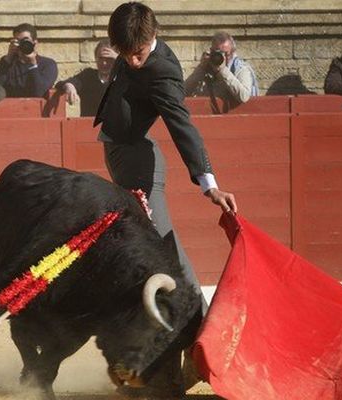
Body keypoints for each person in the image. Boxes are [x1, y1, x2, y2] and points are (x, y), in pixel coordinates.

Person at [94, 3, 237, 397]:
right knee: (155, 255)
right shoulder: (134, 42)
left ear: (150, 41)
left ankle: (202, 340)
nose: (132, 61)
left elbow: (182, 125)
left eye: (137, 53)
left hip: (138, 162)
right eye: (125, 54)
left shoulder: (162, 70)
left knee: (164, 255)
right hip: (128, 156)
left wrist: (209, 184)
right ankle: (190, 341)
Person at [185, 31, 259, 111]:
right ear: (211, 51)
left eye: (226, 54)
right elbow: (183, 91)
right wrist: (201, 68)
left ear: (233, 52)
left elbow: (244, 97)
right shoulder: (207, 66)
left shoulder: (240, 68)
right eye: (218, 53)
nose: (222, 57)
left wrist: (223, 70)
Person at [0, 23, 58, 98]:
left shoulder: (48, 64)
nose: (23, 44)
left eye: (26, 41)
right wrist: (8, 58)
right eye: (18, 41)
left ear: (35, 43)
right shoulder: (8, 63)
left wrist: (33, 65)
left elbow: (39, 92)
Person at [56, 38, 118, 116]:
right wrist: (69, 86)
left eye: (109, 59)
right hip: (89, 126)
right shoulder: (88, 76)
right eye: (101, 58)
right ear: (96, 58)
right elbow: (62, 84)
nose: (104, 63)